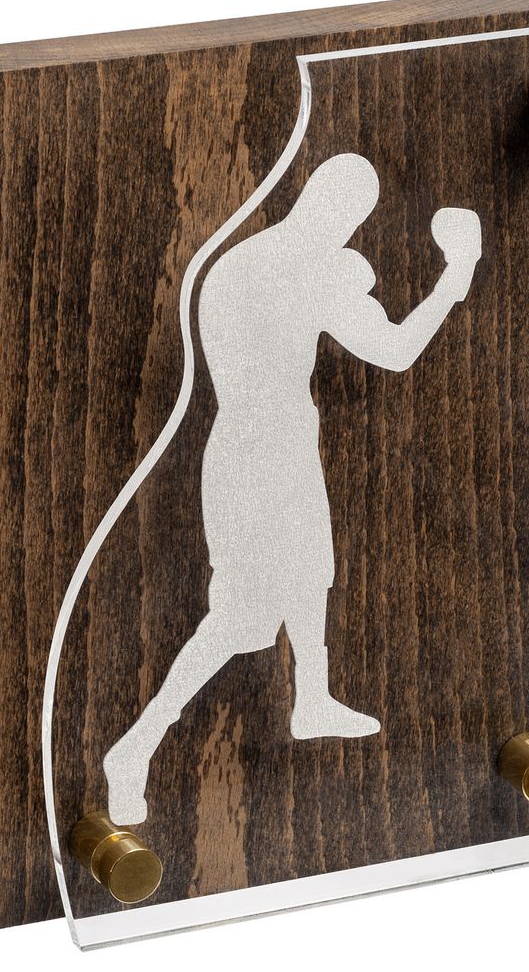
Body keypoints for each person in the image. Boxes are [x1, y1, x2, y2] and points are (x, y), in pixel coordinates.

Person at [103, 153, 481, 825]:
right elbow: (396, 351)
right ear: (343, 214)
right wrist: (456, 275)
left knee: (310, 572)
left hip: (244, 445)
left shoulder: (238, 261)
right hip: (265, 452)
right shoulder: (313, 269)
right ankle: (137, 745)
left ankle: (313, 698)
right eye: (354, 220)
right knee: (242, 620)